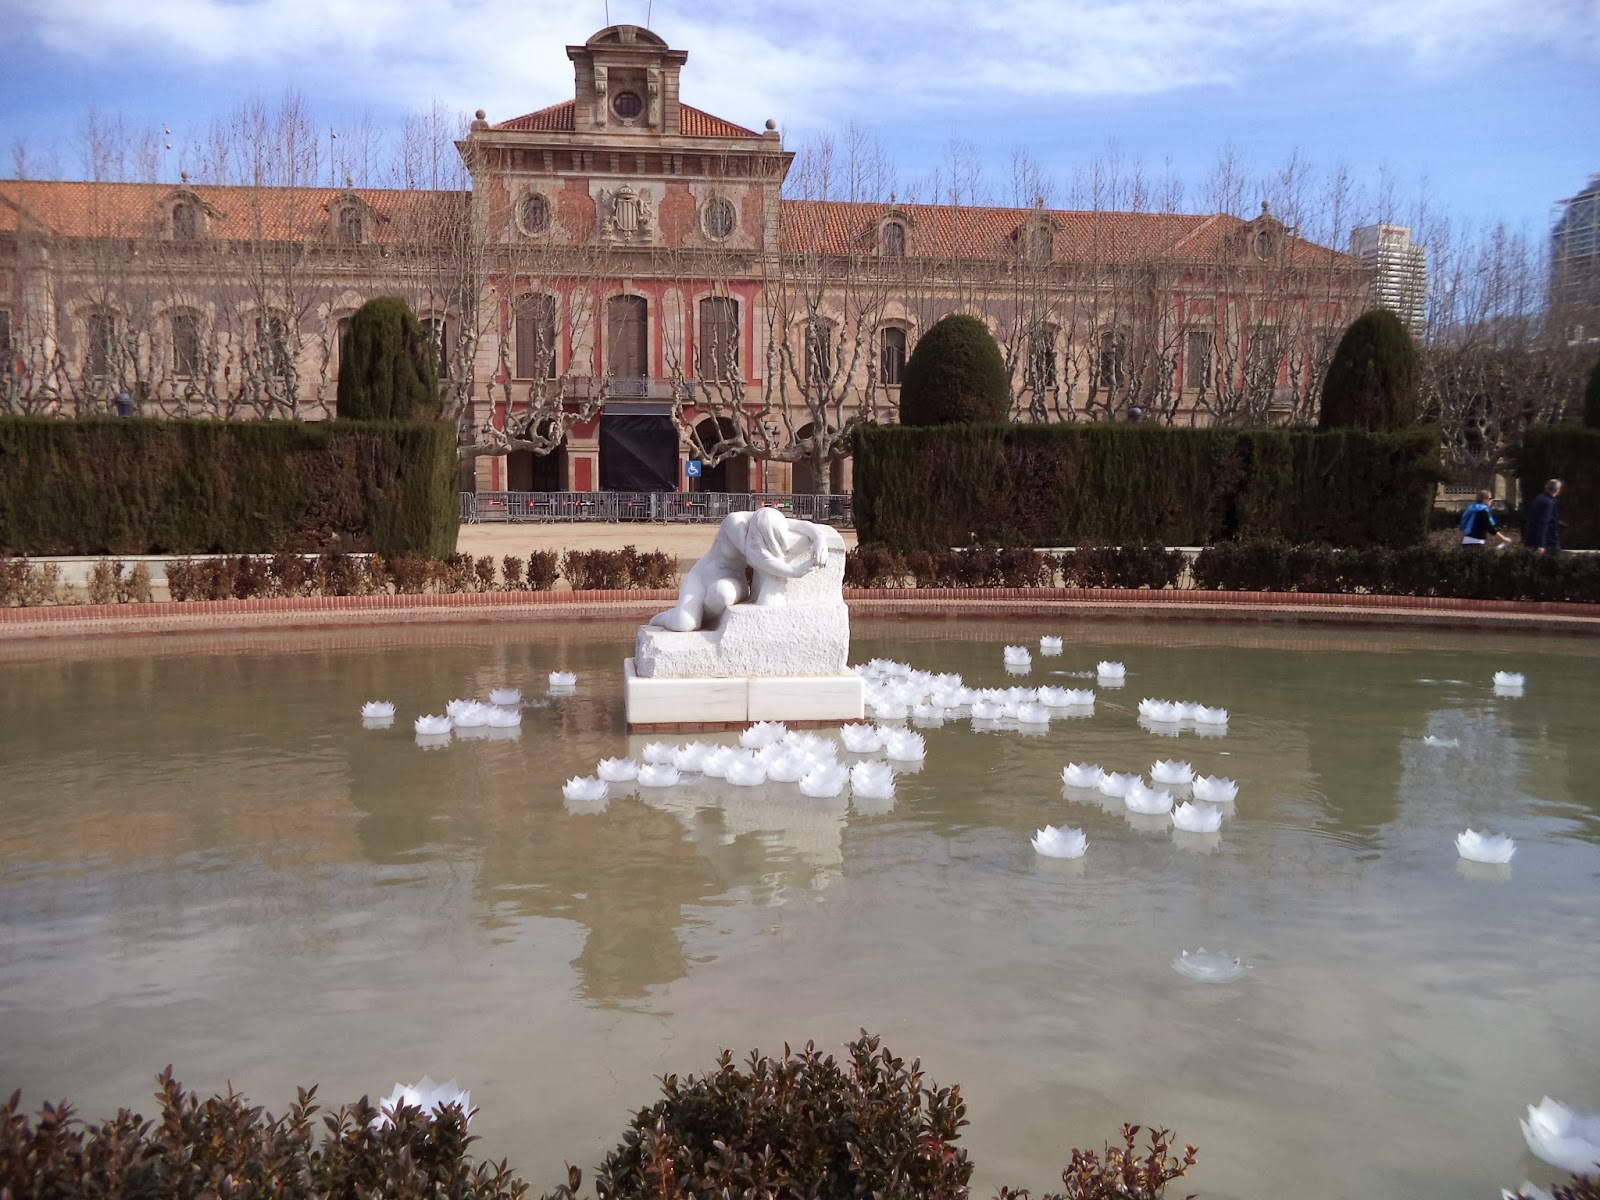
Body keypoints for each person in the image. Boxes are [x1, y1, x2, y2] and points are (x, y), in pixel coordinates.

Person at [650, 507, 830, 632]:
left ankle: (703, 619)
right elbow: (761, 559)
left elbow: (801, 525)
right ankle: (664, 618)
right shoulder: (735, 523)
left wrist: (819, 539)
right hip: (701, 577)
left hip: (732, 581)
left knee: (722, 593)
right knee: (683, 623)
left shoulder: (770, 520)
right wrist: (795, 571)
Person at [1522, 479, 1563, 556]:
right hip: (1548, 540)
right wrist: (1541, 544)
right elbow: (1543, 522)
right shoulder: (1549, 502)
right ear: (1557, 490)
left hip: (1532, 537)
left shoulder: (1538, 498)